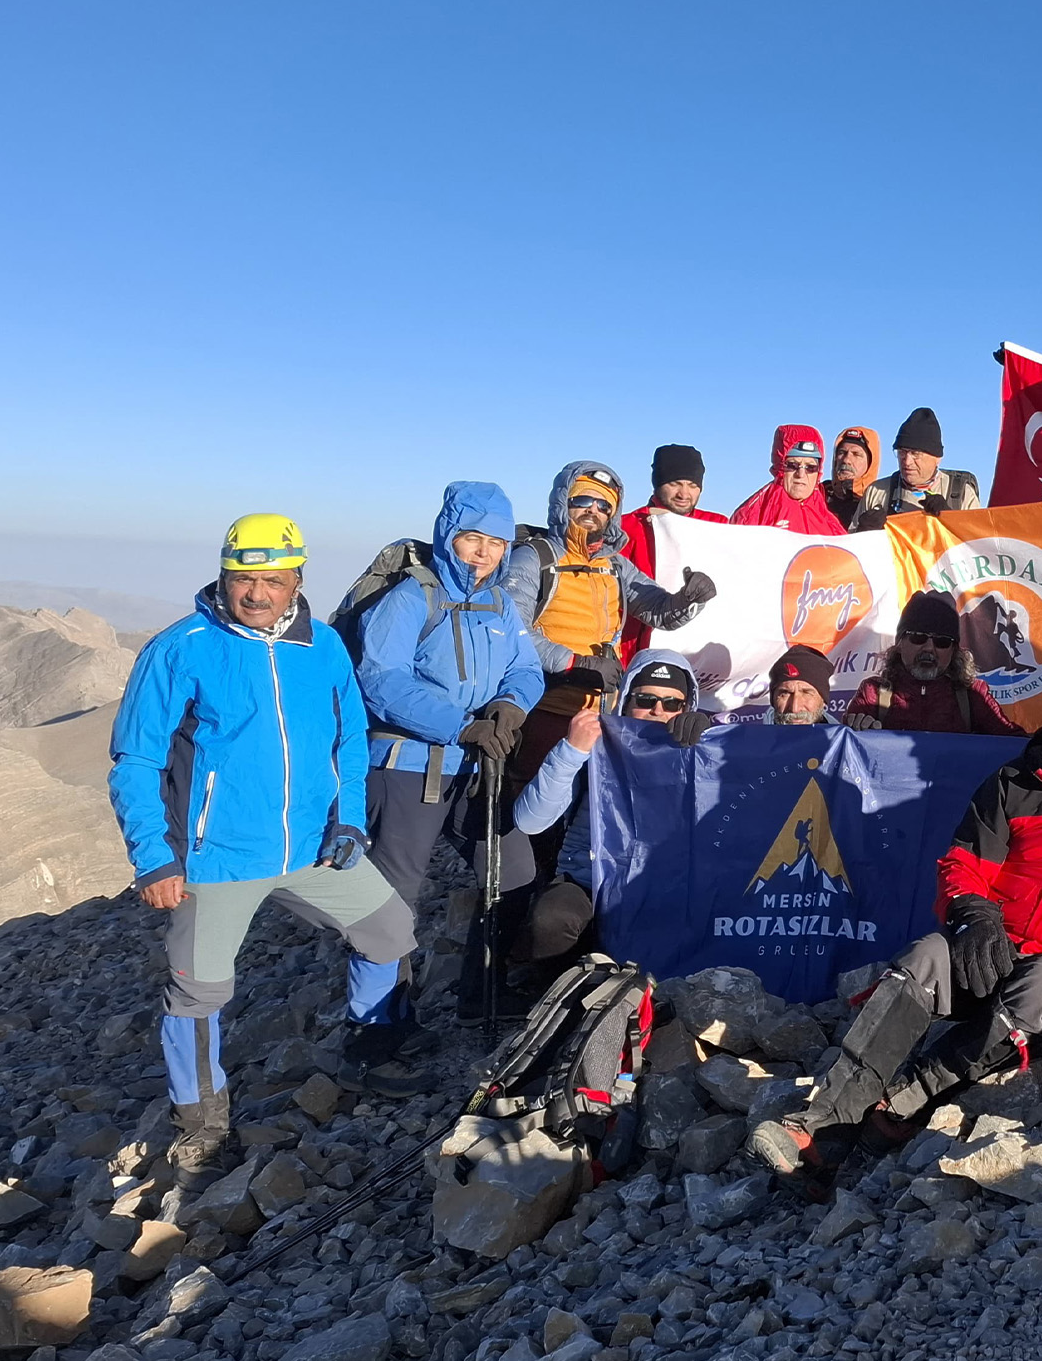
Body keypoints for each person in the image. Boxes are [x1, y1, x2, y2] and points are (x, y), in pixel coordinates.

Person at [750, 658, 1042, 1196]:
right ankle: (817, 1128)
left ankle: (901, 1104)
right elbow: (964, 862)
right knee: (924, 955)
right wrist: (972, 914)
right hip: (988, 948)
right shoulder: (1013, 781)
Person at [109, 514, 425, 1170]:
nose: (256, 592)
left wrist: (351, 819)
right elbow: (135, 761)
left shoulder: (326, 647)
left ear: (297, 581)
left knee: (390, 929)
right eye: (243, 577)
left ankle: (370, 1051)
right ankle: (201, 1118)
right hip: (216, 857)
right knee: (198, 992)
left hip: (316, 846)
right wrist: (154, 857)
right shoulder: (182, 647)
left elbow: (349, 739)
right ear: (223, 576)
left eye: (272, 579)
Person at [352, 482, 548, 1029]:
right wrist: (463, 726)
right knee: (392, 905)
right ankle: (378, 1030)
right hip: (408, 767)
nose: (484, 551)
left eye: (495, 541)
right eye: (472, 538)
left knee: (514, 872)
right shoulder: (411, 598)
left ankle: (480, 991)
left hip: (475, 766)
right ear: (448, 535)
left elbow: (525, 669)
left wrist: (511, 705)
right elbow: (381, 681)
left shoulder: (501, 603)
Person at [502, 461, 716, 840]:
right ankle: (526, 895)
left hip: (603, 718)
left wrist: (690, 598)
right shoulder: (535, 557)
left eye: (604, 506)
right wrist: (574, 662)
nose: (593, 511)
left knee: (593, 816)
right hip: (545, 710)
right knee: (535, 825)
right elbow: (510, 631)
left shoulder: (614, 565)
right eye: (583, 500)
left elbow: (656, 609)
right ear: (562, 504)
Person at [507, 649, 713, 982]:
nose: (658, 711)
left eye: (672, 703)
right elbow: (531, 820)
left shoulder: (696, 753)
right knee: (550, 921)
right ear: (626, 700)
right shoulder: (595, 746)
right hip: (589, 881)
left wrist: (708, 744)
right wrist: (571, 751)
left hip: (663, 889)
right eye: (645, 699)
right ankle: (555, 986)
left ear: (686, 708)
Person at [843, 590, 1023, 735]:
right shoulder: (873, 694)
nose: (929, 649)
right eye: (918, 638)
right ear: (899, 644)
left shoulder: (973, 696)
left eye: (942, 641)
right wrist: (856, 728)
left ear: (954, 651)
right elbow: (845, 752)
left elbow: (1013, 743)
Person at [619, 445, 728, 661]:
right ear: (657, 483)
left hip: (703, 654)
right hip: (636, 650)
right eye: (674, 483)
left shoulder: (719, 526)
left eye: (692, 485)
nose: (684, 494)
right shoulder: (627, 528)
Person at [852, 409, 983, 525]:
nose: (907, 461)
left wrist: (951, 520)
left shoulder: (960, 494)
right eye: (902, 452)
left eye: (916, 454)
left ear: (937, 458)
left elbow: (978, 545)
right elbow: (849, 548)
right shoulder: (877, 492)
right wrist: (863, 533)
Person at [731, 427, 849, 533]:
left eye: (810, 467)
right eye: (792, 465)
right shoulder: (751, 515)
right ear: (780, 466)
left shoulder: (831, 524)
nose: (801, 474)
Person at [765, 643, 839, 724]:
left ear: (823, 700)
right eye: (785, 693)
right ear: (773, 700)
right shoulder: (753, 735)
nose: (795, 708)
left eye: (806, 693)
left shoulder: (843, 736)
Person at [822, 427, 883, 525]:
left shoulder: (880, 501)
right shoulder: (818, 495)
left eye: (856, 454)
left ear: (870, 462)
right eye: (842, 452)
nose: (846, 460)